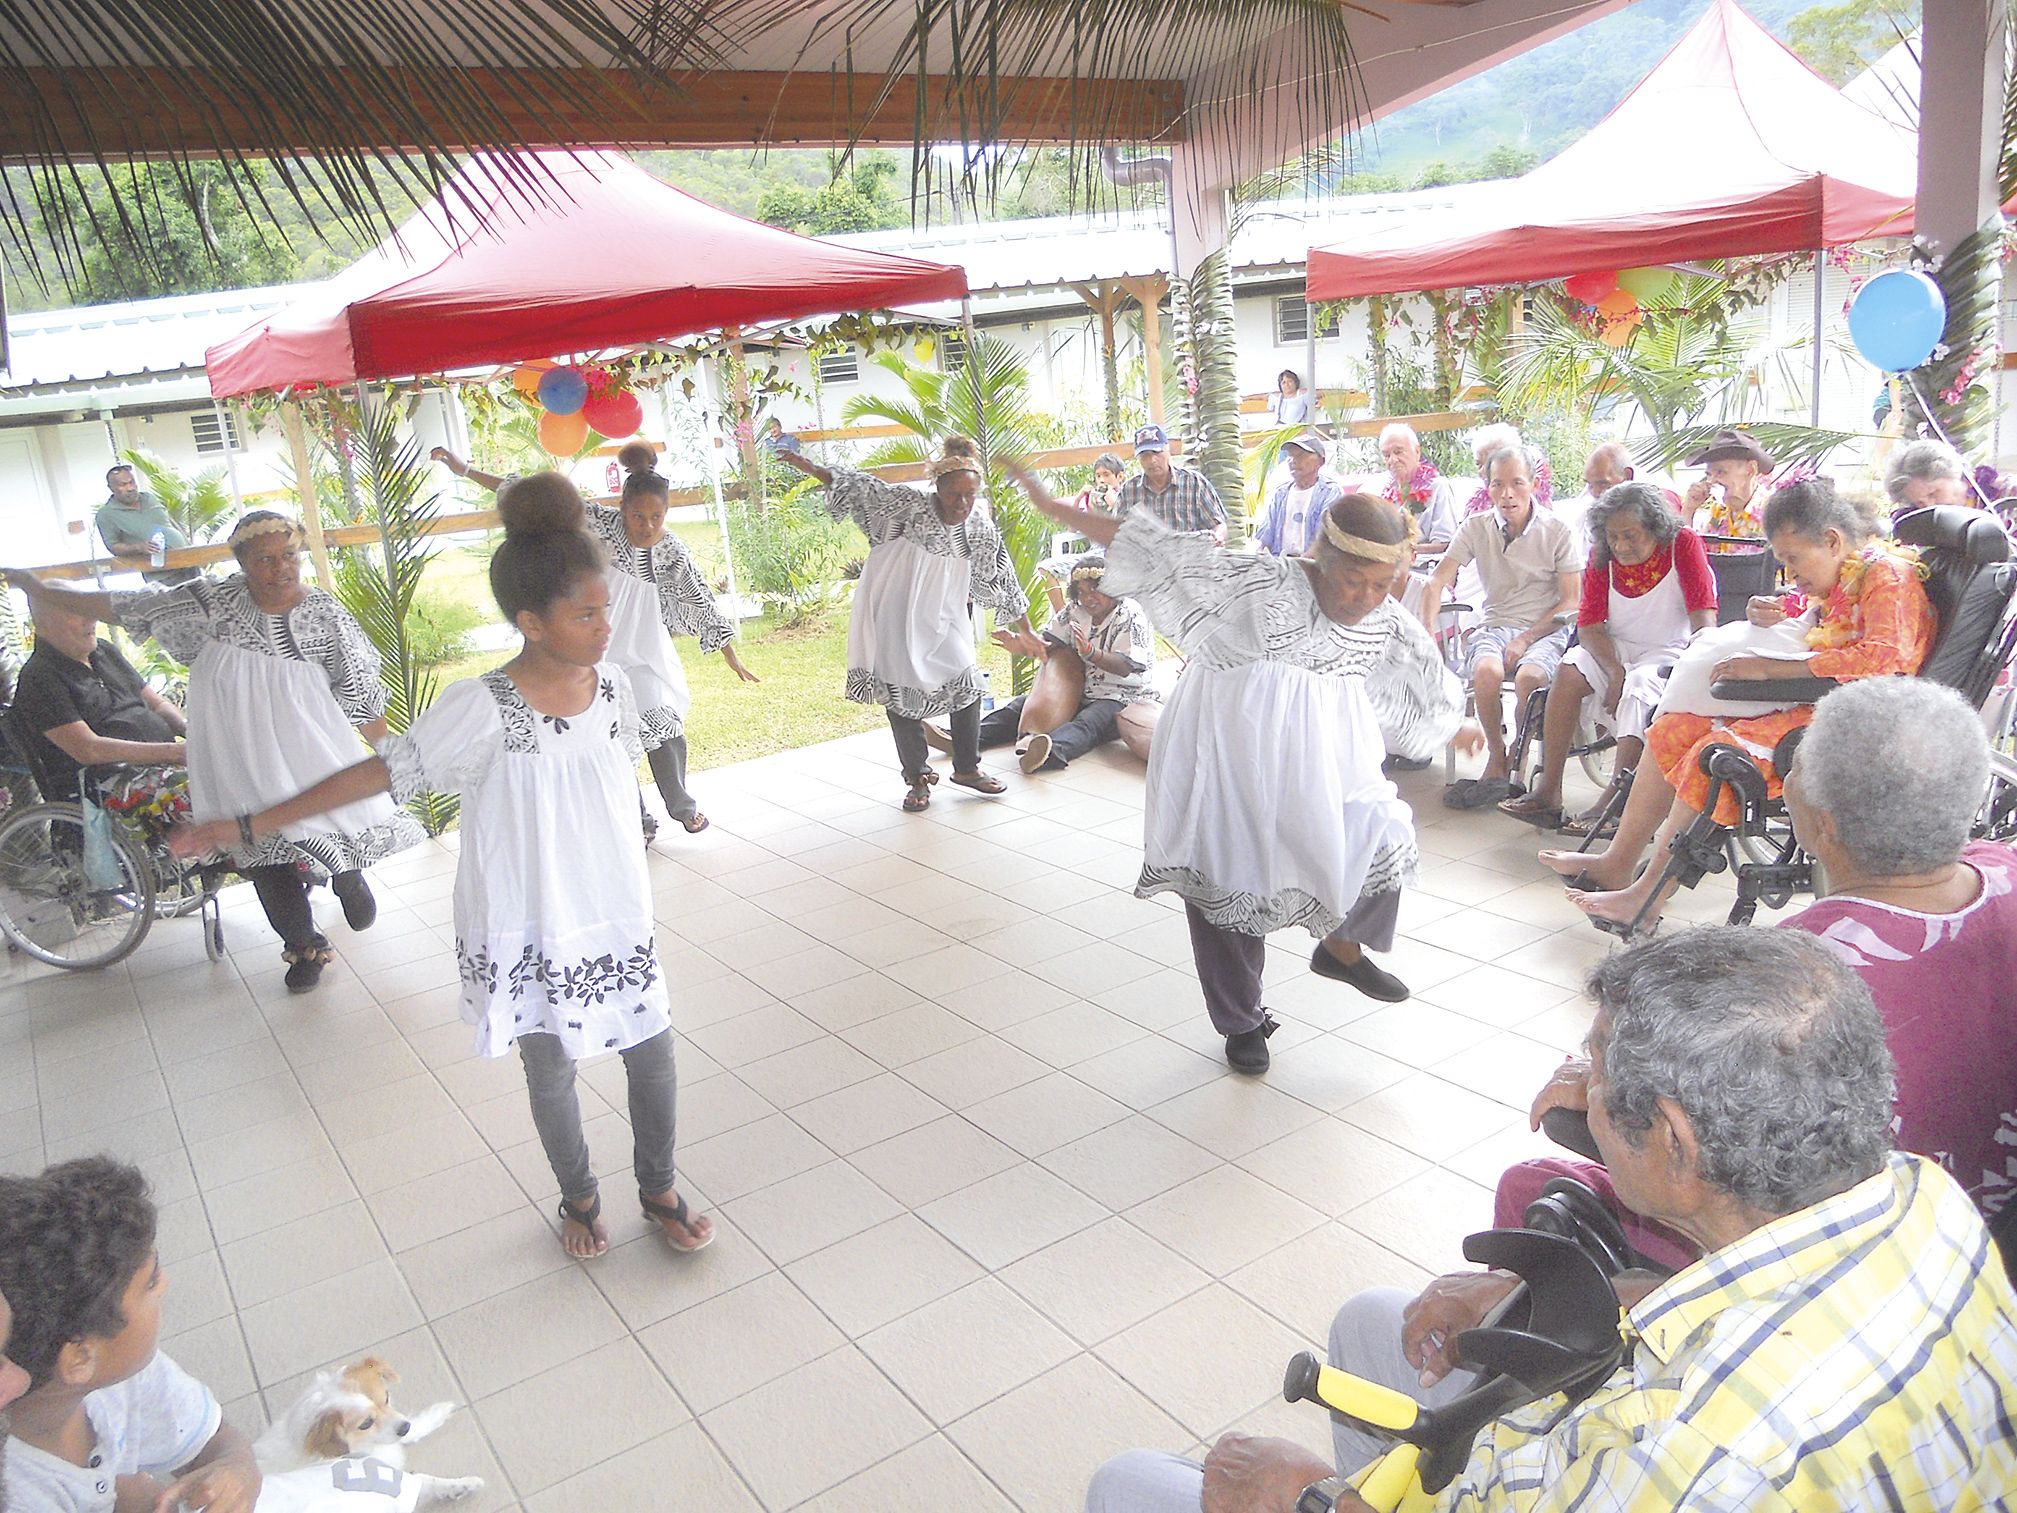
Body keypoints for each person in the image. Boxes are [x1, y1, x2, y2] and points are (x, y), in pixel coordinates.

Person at [1083, 927, 2017, 1513]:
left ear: (1676, 1149)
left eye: (1597, 1070)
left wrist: (1308, 1501)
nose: (1579, 1085)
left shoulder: (1698, 1464)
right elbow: (1777, 1297)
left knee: (1128, 1484)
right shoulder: (1918, 1197)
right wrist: (1569, 1288)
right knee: (1375, 1316)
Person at [171, 476, 713, 1259]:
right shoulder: (482, 704)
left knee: (652, 1048)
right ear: (530, 621)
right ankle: (579, 1195)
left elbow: (604, 777)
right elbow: (379, 772)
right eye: (586, 613)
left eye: (606, 609)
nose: (605, 626)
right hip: (525, 912)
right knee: (551, 1064)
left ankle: (658, 1185)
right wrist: (248, 823)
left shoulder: (615, 686)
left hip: (611, 903)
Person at [1505, 678, 2017, 1264]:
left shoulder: (1794, 989)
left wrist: (1607, 1083)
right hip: (1974, 1225)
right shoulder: (2004, 870)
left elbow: (1695, 1154)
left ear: (1822, 823)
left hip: (1831, 1259)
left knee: (1531, 1184)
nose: (1787, 778)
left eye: (1794, 766)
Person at [1007, 461, 1477, 1074]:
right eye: (1355, 580)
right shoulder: (1260, 580)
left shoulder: (1383, 616)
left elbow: (1419, 665)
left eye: (1383, 585)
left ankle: (1341, 946)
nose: (1367, 597)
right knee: (1230, 868)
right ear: (1322, 559)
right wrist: (1053, 507)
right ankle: (1243, 1020)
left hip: (1325, 746)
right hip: (1228, 741)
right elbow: (1152, 549)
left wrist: (1454, 720)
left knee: (1377, 827)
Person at [6, 511, 421, 992]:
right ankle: (304, 946)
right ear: (242, 562)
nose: (282, 567)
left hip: (306, 743)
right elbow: (122, 605)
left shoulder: (325, 614)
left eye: (290, 555)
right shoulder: (211, 601)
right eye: (266, 558)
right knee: (259, 848)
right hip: (233, 750)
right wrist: (38, 586)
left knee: (319, 815)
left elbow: (359, 690)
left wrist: (389, 749)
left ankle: (346, 872)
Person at [1542, 480, 1934, 933]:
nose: (1789, 572)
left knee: (1717, 752)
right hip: (1819, 697)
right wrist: (1769, 610)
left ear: (1831, 540)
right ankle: (1617, 861)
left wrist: (1769, 668)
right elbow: (1818, 621)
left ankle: (1645, 897)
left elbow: (1887, 660)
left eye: (1792, 560)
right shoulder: (1843, 575)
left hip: (1859, 716)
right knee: (1672, 728)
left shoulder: (1887, 575)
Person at [776, 437, 1030, 813]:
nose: (962, 503)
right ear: (937, 487)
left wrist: (1026, 627)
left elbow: (1001, 573)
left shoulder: (978, 525)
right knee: (903, 693)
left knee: (968, 682)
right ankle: (917, 778)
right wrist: (813, 469)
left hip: (946, 614)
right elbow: (862, 488)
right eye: (954, 494)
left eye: (970, 495)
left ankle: (967, 768)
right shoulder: (906, 505)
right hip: (897, 610)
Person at [0, 1158, 263, 1513]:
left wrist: (238, 1468)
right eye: (151, 1281)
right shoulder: (19, 1495)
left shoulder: (126, 1379)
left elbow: (212, 1440)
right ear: (80, 1357)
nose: (165, 1283)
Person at [1497, 483, 1717, 830]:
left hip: (1670, 650)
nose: (1621, 546)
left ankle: (1617, 801)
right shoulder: (1603, 554)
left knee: (1641, 686)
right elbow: (1589, 626)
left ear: (1655, 529)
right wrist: (1615, 671)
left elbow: (1703, 618)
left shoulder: (1682, 545)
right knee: (1570, 669)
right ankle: (1548, 793)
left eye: (1631, 536)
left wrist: (1697, 661)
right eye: (1613, 537)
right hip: (1614, 648)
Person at [592, 446, 760, 837]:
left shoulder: (671, 550)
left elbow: (697, 596)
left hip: (644, 653)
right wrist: (464, 470)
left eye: (656, 517)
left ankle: (681, 805)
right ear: (622, 508)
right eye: (638, 516)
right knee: (612, 741)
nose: (647, 526)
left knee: (664, 725)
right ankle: (638, 821)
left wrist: (729, 653)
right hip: (594, 656)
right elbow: (539, 497)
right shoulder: (595, 523)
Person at [1420, 446, 1580, 809]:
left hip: (1547, 628)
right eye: (1498, 484)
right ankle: (1498, 754)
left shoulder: (1556, 530)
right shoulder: (1476, 528)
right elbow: (1435, 582)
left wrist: (1526, 638)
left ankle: (1519, 762)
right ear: (1488, 488)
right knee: (1486, 673)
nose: (1507, 494)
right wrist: (1427, 635)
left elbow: (1572, 600)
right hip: (1495, 624)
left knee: (1528, 678)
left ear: (1534, 485)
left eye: (1517, 483)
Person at [950, 553, 1157, 773]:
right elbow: (1048, 645)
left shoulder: (1130, 613)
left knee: (1088, 723)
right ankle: (965, 740)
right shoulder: (1074, 611)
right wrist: (1022, 645)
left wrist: (1091, 653)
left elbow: (1125, 666)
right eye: (1082, 592)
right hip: (1079, 690)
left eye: (1095, 590)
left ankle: (1048, 754)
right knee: (1019, 707)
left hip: (1121, 696)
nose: (1089, 598)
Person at [11, 597, 186, 801]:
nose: (91, 618)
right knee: (206, 801)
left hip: (162, 767)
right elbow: (88, 749)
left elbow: (158, 704)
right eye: (76, 612)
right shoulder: (39, 677)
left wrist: (187, 730)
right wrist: (173, 752)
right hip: (109, 787)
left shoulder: (104, 651)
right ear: (43, 623)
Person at [1114, 425, 1227, 542]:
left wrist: (1217, 537)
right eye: (1145, 455)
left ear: (1168, 450)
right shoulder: (1129, 491)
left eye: (1157, 452)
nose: (1152, 460)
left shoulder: (1195, 484)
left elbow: (1218, 524)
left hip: (1190, 557)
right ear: (1138, 458)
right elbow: (1117, 534)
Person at [93, 464, 197, 586]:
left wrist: (190, 545)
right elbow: (113, 546)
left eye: (132, 482)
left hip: (190, 564)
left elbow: (169, 523)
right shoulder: (106, 514)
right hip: (162, 575)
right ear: (111, 488)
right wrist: (138, 547)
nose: (130, 488)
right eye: (123, 485)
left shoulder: (149, 498)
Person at [1253, 431, 1346, 558]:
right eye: (1290, 455)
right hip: (1283, 564)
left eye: (1301, 455)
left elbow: (1325, 538)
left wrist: (1301, 563)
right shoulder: (1281, 494)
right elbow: (1265, 537)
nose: (1293, 460)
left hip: (1316, 568)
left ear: (1321, 461)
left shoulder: (1330, 492)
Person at [1376, 422, 1460, 560]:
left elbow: (1446, 543)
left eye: (1398, 452)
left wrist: (1407, 551)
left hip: (1426, 567)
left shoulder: (1438, 487)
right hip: (1389, 566)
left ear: (1417, 451)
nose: (1393, 460)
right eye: (1386, 455)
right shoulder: (1382, 489)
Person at [1682, 428, 1773, 539]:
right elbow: (1690, 552)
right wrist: (1688, 510)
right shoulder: (1717, 513)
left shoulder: (1772, 513)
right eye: (1709, 474)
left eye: (1720, 472)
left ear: (1750, 470)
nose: (1712, 481)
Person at [1458, 424, 1552, 518]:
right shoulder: (1477, 502)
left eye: (1489, 464)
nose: (1482, 471)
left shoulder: (1533, 496)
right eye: (1478, 464)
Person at [1884, 438, 1977, 510]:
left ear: (1954, 473)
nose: (1929, 505)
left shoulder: (1989, 493)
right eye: (1920, 503)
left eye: (1932, 494)